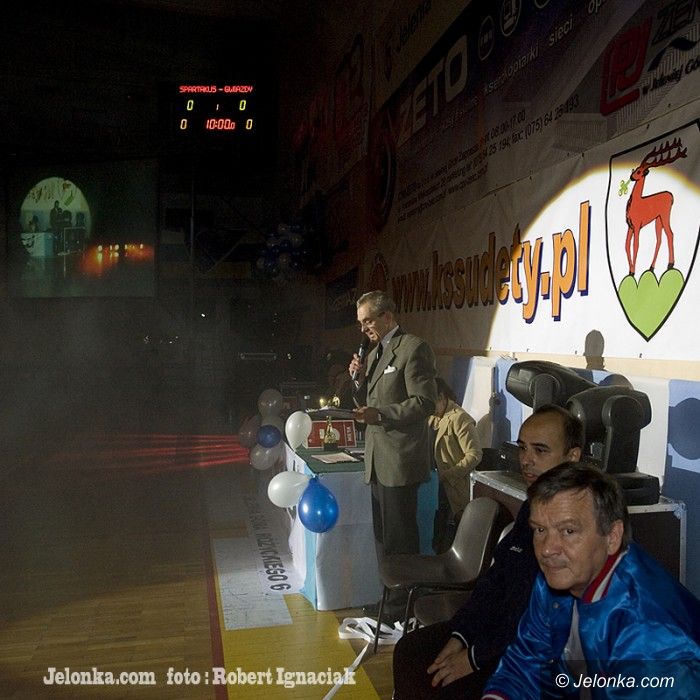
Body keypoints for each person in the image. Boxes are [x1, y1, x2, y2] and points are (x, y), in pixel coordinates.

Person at [393, 404, 584, 698]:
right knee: (412, 651)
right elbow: (494, 582)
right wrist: (460, 635)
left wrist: (472, 658)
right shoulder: (534, 507)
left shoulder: (579, 524)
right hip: (497, 634)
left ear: (572, 457)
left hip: (539, 656)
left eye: (540, 450)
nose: (526, 460)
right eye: (523, 448)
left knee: (440, 683)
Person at [482, 462, 700, 699]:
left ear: (612, 537)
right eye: (540, 530)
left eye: (568, 531)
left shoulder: (650, 634)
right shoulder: (561, 576)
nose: (547, 550)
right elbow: (526, 661)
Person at [349, 290, 437, 617]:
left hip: (399, 460)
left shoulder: (413, 348)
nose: (363, 328)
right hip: (377, 459)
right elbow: (369, 400)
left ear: (387, 316)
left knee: (400, 539)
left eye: (368, 321)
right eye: (360, 323)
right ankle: (391, 599)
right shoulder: (374, 354)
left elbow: (424, 402)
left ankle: (403, 606)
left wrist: (381, 414)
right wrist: (357, 381)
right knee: (384, 538)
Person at [430, 377, 482, 552]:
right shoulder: (433, 417)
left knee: (449, 539)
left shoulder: (460, 418)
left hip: (452, 487)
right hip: (434, 486)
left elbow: (474, 454)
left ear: (441, 397)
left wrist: (447, 475)